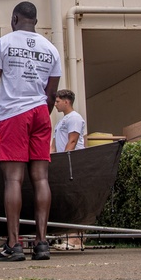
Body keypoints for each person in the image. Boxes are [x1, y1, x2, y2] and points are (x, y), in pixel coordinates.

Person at [0, 1, 61, 262]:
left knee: (13, 180)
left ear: (14, 18)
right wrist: (42, 112)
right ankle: (42, 244)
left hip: (14, 115)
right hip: (41, 113)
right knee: (41, 178)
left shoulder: (4, 44)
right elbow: (52, 93)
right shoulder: (51, 49)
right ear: (35, 21)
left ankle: (14, 244)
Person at [51, 89, 85, 250]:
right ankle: (70, 237)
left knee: (73, 199)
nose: (56, 104)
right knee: (65, 200)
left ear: (66, 101)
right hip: (63, 163)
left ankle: (75, 240)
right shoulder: (61, 121)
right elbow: (53, 144)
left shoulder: (75, 118)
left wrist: (64, 161)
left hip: (73, 163)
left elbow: (72, 141)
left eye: (58, 101)